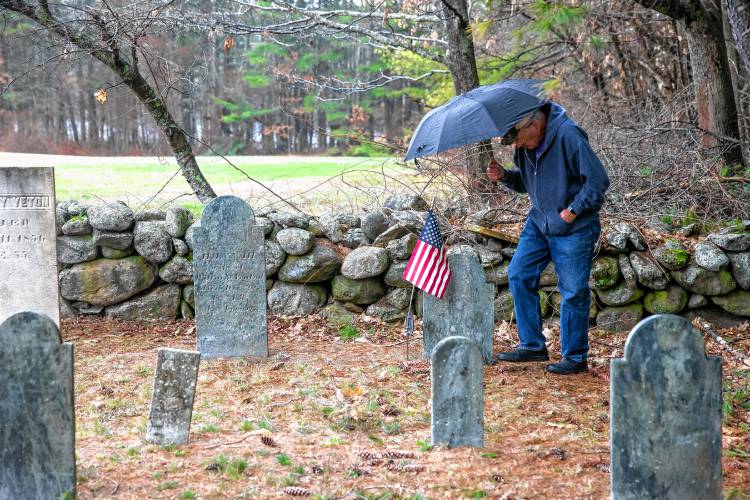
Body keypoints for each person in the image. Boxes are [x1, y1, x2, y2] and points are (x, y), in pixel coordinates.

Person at [487, 101, 609, 375]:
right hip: (539, 224)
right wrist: (505, 176)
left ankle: (575, 357)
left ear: (533, 123)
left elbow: (598, 181)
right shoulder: (525, 146)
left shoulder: (568, 135)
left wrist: (571, 212)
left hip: (574, 227)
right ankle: (532, 346)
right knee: (518, 273)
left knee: (573, 291)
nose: (517, 147)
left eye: (518, 139)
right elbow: (527, 183)